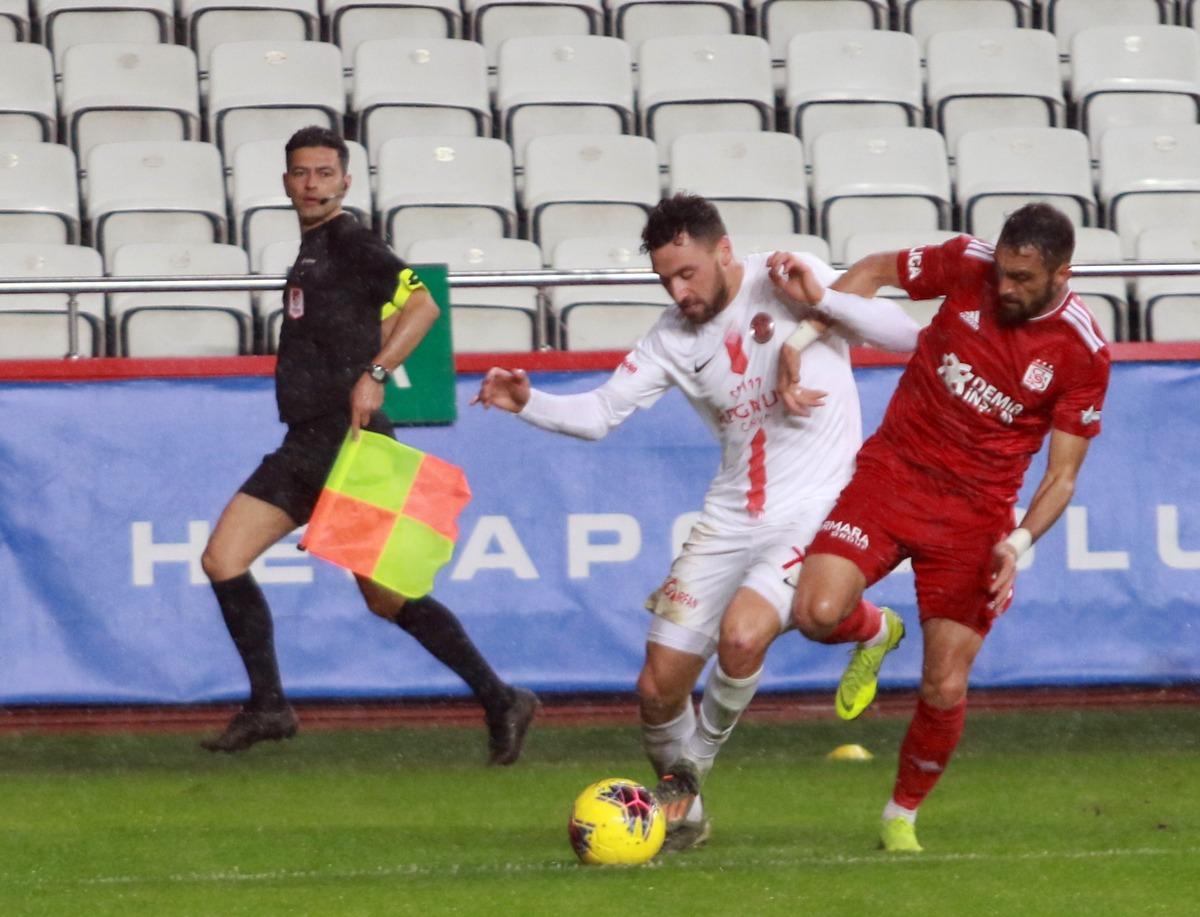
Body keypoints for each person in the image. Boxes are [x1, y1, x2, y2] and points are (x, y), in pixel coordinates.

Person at [472, 193, 920, 849]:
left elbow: (905, 335)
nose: (679, 292)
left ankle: (690, 771)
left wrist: (823, 301)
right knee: (657, 688)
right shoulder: (671, 337)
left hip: (816, 506)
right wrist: (527, 401)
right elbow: (600, 414)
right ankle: (688, 817)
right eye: (666, 280)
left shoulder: (787, 277)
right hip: (730, 518)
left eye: (688, 274)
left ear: (724, 251)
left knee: (743, 635)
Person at [200, 126, 538, 762]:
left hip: (352, 445)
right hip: (307, 443)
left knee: (386, 597)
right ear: (285, 182)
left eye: (324, 173)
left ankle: (501, 699)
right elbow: (374, 317)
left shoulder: (352, 240)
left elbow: (424, 305)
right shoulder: (312, 252)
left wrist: (376, 372)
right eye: (302, 173)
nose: (312, 184)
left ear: (346, 181)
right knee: (223, 559)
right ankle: (270, 705)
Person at [783, 203, 1112, 853]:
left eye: (1023, 278)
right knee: (815, 612)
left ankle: (900, 814)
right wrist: (800, 343)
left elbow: (1062, 475)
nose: (1005, 286)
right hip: (892, 476)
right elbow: (872, 270)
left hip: (975, 516)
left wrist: (1016, 543)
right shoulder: (966, 263)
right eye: (1003, 271)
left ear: (1062, 273)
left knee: (944, 682)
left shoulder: (1083, 351)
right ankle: (876, 630)